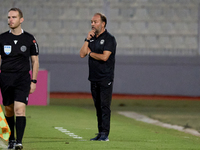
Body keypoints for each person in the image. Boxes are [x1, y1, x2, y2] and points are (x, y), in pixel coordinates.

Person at [0, 8, 39, 149]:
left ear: (21, 20)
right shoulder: (2, 38)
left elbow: (35, 61)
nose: (10, 20)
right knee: (9, 110)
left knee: (20, 110)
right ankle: (11, 138)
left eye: (14, 17)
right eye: (9, 17)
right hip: (5, 78)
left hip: (22, 78)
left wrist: (33, 81)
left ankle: (19, 142)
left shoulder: (29, 39)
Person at [80, 13, 117, 141]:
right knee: (97, 106)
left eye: (95, 22)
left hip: (105, 78)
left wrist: (90, 53)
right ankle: (100, 132)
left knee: (104, 106)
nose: (92, 24)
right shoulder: (91, 38)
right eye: (91, 22)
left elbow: (105, 57)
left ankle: (105, 134)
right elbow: (82, 54)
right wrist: (86, 40)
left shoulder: (109, 39)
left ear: (103, 24)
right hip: (94, 78)